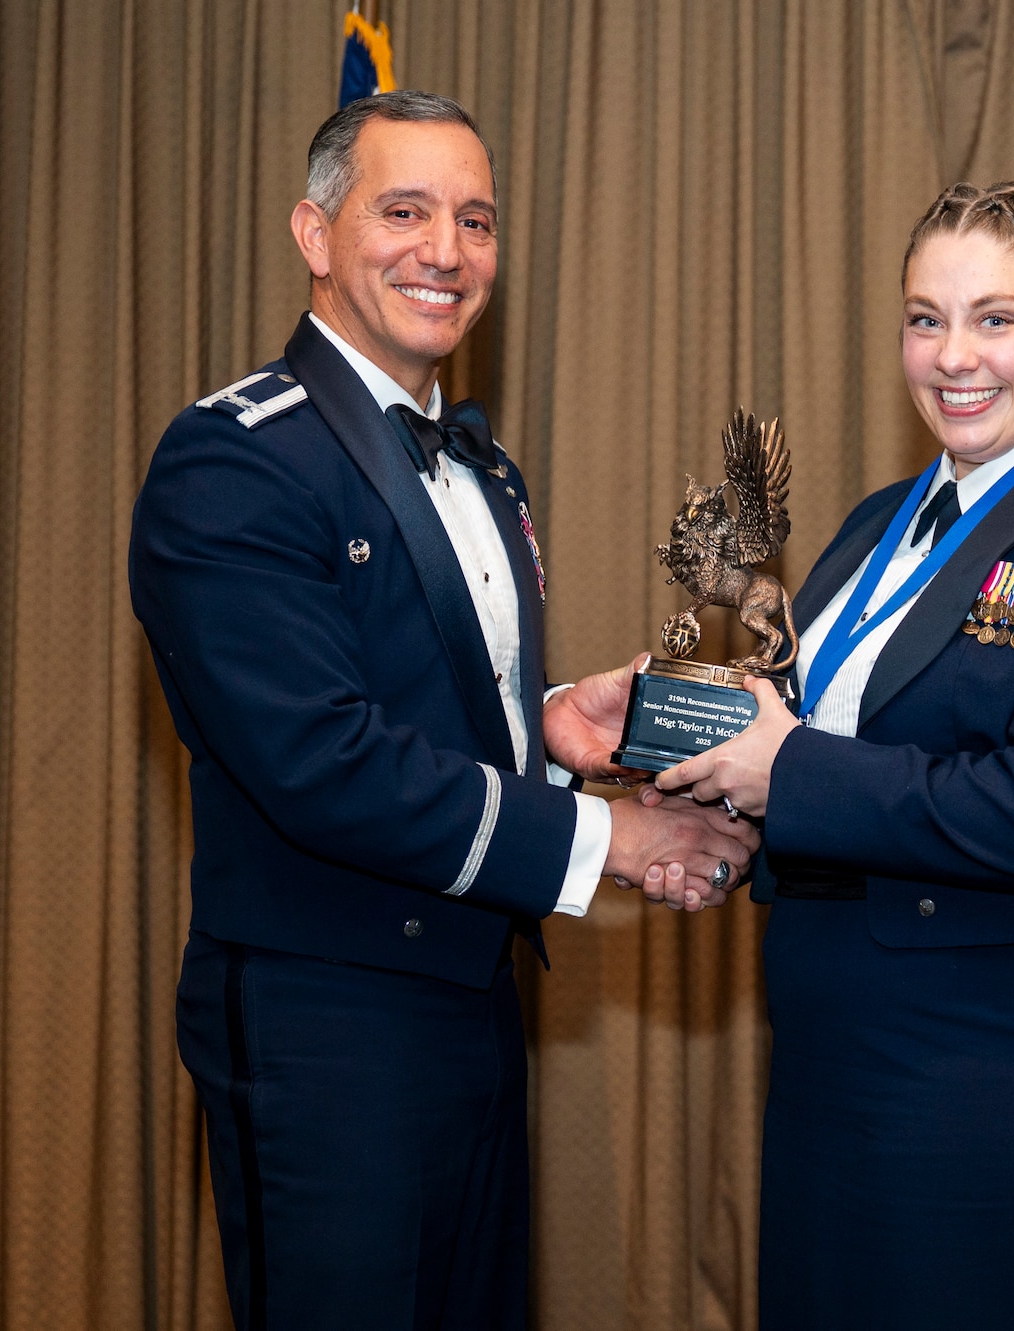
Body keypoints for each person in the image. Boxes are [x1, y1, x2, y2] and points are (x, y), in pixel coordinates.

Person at [128, 91, 758, 1330]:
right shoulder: (235, 456)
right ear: (314, 233)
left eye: (475, 220)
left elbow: (414, 701)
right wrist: (611, 841)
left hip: (469, 1001)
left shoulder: (481, 463)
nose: (447, 250)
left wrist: (554, 726)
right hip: (326, 1020)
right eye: (403, 211)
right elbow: (320, 756)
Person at [659, 182, 1014, 1330]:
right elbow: (794, 733)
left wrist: (787, 774)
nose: (954, 356)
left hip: (992, 1089)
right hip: (830, 1068)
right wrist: (652, 733)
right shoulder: (874, 524)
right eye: (925, 318)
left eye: (995, 318)